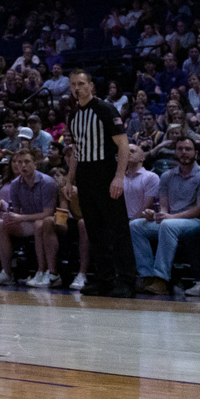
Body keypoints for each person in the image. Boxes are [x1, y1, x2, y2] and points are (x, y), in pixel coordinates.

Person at [65, 70, 135, 298]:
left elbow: (123, 146)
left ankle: (126, 279)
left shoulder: (106, 110)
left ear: (91, 86)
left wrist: (118, 176)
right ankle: (104, 279)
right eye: (74, 84)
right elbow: (76, 150)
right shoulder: (73, 116)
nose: (78, 88)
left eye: (82, 84)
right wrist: (69, 178)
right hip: (85, 174)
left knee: (118, 229)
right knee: (94, 230)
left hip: (105, 171)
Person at [0, 149, 59, 286]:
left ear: (35, 163)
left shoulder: (47, 182)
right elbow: (15, 211)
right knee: (0, 225)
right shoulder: (15, 184)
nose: (22, 165)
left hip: (48, 222)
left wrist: (21, 218)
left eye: (27, 162)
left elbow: (48, 213)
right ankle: (7, 273)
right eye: (18, 162)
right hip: (28, 221)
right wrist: (9, 217)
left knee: (39, 224)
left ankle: (42, 271)